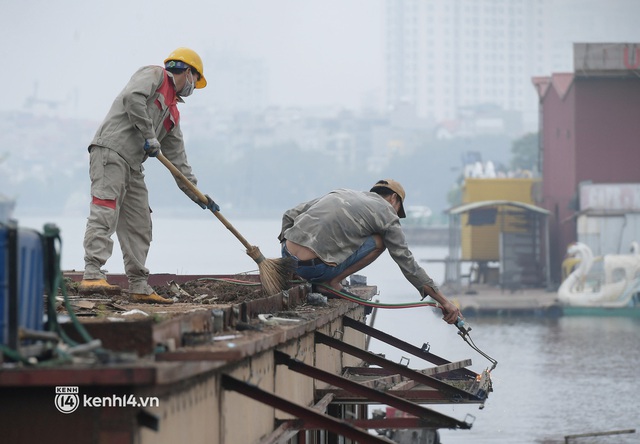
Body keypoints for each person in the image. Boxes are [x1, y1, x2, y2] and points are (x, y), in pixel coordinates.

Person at [78, 47, 217, 304]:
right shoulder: (154, 75)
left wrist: (198, 195)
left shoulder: (173, 114)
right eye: (196, 81)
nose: (194, 88)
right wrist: (149, 134)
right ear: (188, 72)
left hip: (133, 165)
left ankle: (139, 285)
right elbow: (133, 97)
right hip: (111, 151)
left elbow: (179, 164)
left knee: (140, 222)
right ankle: (92, 273)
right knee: (106, 208)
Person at [278, 179, 462, 324]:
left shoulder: (342, 192)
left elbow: (289, 214)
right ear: (394, 199)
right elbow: (408, 264)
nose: (396, 214)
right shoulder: (388, 214)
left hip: (288, 256)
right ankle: (332, 281)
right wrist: (444, 301)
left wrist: (286, 251)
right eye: (398, 210)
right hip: (315, 270)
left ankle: (303, 269)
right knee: (380, 241)